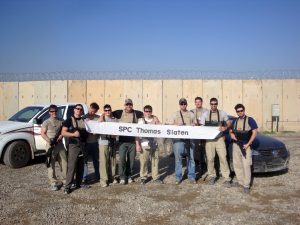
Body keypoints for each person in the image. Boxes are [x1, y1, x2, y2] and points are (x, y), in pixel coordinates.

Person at [200, 98, 231, 187]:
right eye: (212, 104)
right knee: (210, 159)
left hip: (219, 139)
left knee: (223, 158)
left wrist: (225, 128)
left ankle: (226, 178)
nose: (214, 105)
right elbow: (201, 126)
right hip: (209, 140)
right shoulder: (205, 114)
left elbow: (229, 123)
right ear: (210, 104)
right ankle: (212, 176)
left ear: (217, 104)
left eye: (215, 104)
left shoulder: (222, 113)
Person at [112, 99, 143, 184]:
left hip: (132, 142)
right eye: (127, 105)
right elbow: (108, 113)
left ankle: (129, 176)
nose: (128, 106)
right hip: (122, 142)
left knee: (131, 161)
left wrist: (155, 118)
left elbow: (147, 114)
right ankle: (122, 177)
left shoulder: (136, 113)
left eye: (130, 105)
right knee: (122, 160)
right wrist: (101, 116)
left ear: (132, 105)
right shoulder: (119, 113)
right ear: (124, 105)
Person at [229, 103, 258, 194]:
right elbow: (230, 130)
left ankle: (246, 185)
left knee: (246, 165)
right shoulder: (235, 121)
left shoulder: (250, 120)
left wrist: (248, 144)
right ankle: (240, 182)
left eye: (241, 110)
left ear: (244, 110)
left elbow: (254, 133)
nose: (240, 112)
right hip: (236, 145)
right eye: (238, 111)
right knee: (237, 164)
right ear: (236, 112)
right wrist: (232, 134)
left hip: (245, 145)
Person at [62, 104, 88, 194]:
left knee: (81, 165)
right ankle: (67, 186)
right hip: (74, 145)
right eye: (77, 109)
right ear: (74, 110)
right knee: (72, 166)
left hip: (83, 145)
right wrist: (73, 134)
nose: (79, 110)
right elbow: (63, 132)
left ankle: (78, 183)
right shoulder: (69, 120)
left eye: (80, 109)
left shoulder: (84, 120)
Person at [41, 104, 67, 191]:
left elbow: (63, 131)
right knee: (50, 164)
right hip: (50, 145)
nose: (54, 113)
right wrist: (50, 141)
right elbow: (43, 133)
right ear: (49, 112)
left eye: (55, 111)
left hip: (60, 144)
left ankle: (64, 180)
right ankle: (53, 182)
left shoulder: (61, 121)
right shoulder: (46, 122)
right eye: (52, 111)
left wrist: (61, 136)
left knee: (64, 162)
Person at [171, 98, 196, 184]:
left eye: (184, 104)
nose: (183, 105)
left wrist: (194, 124)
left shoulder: (191, 114)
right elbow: (169, 126)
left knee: (191, 158)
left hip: (190, 140)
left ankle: (192, 176)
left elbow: (196, 124)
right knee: (178, 159)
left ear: (186, 104)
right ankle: (178, 177)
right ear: (179, 105)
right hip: (178, 141)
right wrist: (175, 125)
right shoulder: (174, 114)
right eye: (181, 104)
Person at [137, 105, 163, 184]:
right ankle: (143, 177)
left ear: (151, 111)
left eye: (149, 111)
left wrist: (157, 121)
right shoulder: (141, 121)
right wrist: (137, 145)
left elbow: (161, 128)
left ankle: (155, 177)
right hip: (144, 144)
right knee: (144, 161)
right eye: (146, 111)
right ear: (144, 112)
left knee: (155, 161)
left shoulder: (155, 119)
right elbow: (137, 133)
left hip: (154, 143)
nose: (148, 113)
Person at [98, 104, 118, 187]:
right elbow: (98, 126)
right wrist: (101, 117)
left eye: (109, 110)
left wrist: (115, 136)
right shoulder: (101, 118)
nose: (107, 112)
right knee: (103, 162)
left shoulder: (115, 119)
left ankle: (112, 177)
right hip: (103, 142)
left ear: (111, 110)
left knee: (112, 161)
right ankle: (103, 180)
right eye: (105, 110)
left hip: (112, 142)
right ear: (103, 111)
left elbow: (118, 129)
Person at [82, 102, 100, 184]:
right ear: (89, 108)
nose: (91, 112)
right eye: (90, 110)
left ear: (96, 111)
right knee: (85, 161)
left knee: (96, 160)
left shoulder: (98, 118)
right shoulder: (83, 117)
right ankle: (84, 177)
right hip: (86, 143)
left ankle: (97, 176)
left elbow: (100, 127)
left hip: (95, 142)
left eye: (93, 111)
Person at [190, 97, 208, 172]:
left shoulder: (206, 111)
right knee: (195, 151)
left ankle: (204, 166)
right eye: (196, 102)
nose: (198, 103)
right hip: (195, 134)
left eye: (199, 102)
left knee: (204, 150)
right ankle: (197, 166)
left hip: (204, 134)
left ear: (202, 102)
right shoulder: (191, 111)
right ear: (195, 103)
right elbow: (189, 121)